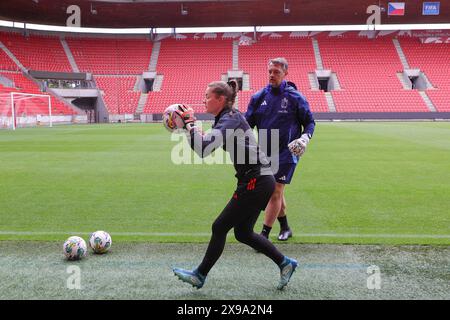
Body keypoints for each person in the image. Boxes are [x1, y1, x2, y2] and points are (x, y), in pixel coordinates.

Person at [171, 80, 298, 290]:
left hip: (256, 180)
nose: (204, 100)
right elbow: (203, 148)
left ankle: (200, 275)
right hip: (257, 179)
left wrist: (190, 124)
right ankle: (285, 263)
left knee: (219, 226)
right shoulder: (226, 118)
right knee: (243, 233)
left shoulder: (230, 119)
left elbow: (203, 149)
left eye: (207, 96)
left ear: (220, 99)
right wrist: (189, 128)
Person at [245, 57, 315, 241]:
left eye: (276, 72)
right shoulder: (258, 97)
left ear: (285, 73)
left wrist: (305, 138)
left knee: (275, 190)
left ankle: (263, 236)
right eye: (270, 71)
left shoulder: (295, 97)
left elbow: (309, 122)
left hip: (287, 153)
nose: (272, 75)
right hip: (264, 152)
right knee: (274, 191)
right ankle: (285, 227)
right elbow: (247, 124)